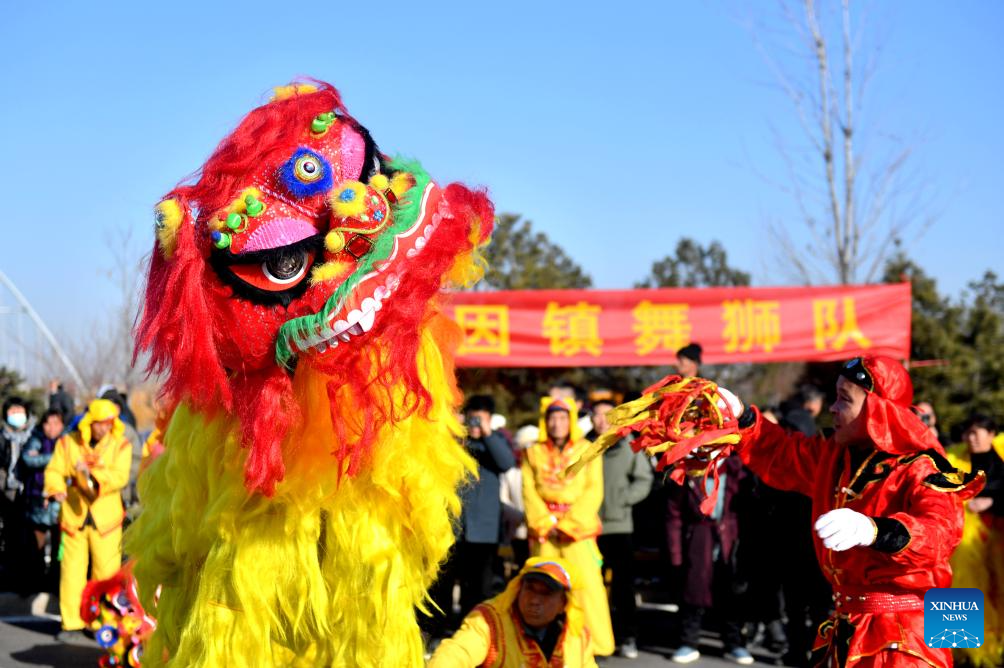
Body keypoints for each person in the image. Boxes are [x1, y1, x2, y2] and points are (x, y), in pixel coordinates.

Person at [722, 355, 983, 667]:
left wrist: (874, 530)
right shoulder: (837, 456)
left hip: (904, 637)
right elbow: (786, 455)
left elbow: (940, 532)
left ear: (877, 410)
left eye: (844, 399)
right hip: (850, 624)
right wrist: (742, 418)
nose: (832, 407)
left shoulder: (921, 466)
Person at [522, 397, 614, 656]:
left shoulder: (588, 449)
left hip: (577, 531)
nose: (557, 423)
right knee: (541, 587)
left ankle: (596, 645)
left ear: (571, 420)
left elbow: (594, 490)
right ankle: (539, 644)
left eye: (563, 417)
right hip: (545, 531)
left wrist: (569, 524)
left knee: (587, 587)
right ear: (545, 420)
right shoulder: (532, 452)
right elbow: (527, 489)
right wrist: (544, 522)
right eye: (552, 417)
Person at [427, 395, 515, 640]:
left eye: (481, 416)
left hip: (484, 531)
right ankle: (439, 632)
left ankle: (473, 635)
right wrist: (456, 431)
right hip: (451, 529)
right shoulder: (455, 441)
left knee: (478, 587)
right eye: (472, 416)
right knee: (443, 584)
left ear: (490, 418)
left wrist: (486, 434)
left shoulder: (495, 441)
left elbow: (507, 463)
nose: (476, 421)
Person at [44, 398, 132, 644]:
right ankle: (71, 622)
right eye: (100, 423)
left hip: (107, 519)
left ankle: (104, 623)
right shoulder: (67, 442)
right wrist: (56, 488)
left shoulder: (121, 445)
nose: (104, 428)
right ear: (89, 422)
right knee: (72, 571)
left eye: (108, 423)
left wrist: (89, 474)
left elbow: (120, 476)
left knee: (106, 573)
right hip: (74, 517)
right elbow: (53, 470)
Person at [429, 557, 597, 667]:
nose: (534, 600)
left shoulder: (579, 637)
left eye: (546, 593)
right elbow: (456, 653)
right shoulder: (489, 621)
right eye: (530, 589)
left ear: (564, 603)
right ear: (518, 589)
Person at [666, 453, 753, 665]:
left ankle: (734, 643)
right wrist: (675, 552)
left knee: (731, 592)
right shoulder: (688, 471)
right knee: (693, 590)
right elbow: (674, 514)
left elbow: (749, 509)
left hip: (729, 539)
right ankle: (688, 641)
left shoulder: (737, 470)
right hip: (697, 538)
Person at [589, 395, 653, 659]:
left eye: (607, 415)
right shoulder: (586, 446)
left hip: (619, 527)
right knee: (591, 587)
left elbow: (644, 479)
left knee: (623, 587)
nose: (601, 420)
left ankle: (627, 636)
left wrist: (622, 501)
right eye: (596, 415)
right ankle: (592, 637)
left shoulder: (628, 446)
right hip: (589, 528)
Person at [946, 414, 1004, 668]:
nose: (971, 439)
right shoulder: (953, 459)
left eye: (977, 433)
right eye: (968, 434)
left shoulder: (1001, 455)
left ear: (992, 434)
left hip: (999, 535)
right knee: (960, 585)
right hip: (964, 537)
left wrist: (993, 502)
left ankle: (995, 650)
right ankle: (958, 649)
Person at [19, 409, 64, 594]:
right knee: (35, 549)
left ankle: (54, 584)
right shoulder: (35, 438)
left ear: (62, 425)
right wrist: (56, 457)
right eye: (48, 423)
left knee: (59, 549)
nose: (51, 428)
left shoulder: (68, 440)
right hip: (37, 501)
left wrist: (43, 458)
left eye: (56, 423)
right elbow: (28, 459)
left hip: (60, 503)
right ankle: (34, 585)